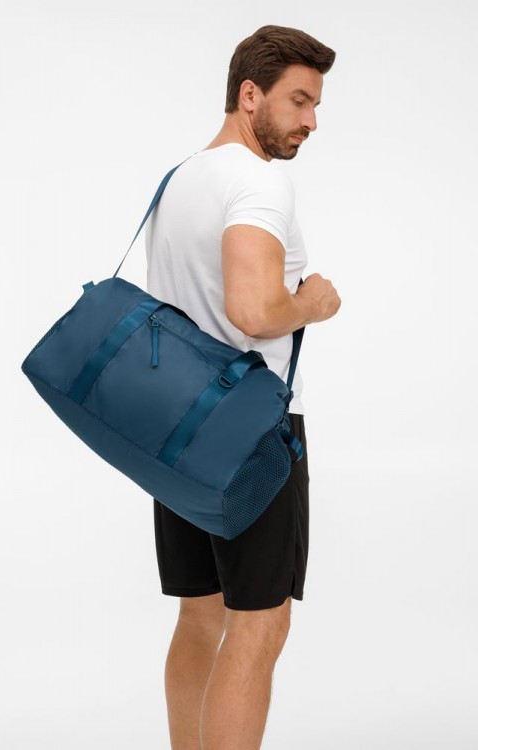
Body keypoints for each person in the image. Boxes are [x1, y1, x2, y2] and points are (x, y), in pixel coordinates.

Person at [144, 24, 341, 750]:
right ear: (249, 94)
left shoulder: (181, 178)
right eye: (299, 101)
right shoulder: (258, 182)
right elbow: (253, 312)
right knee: (259, 623)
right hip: (248, 432)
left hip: (176, 428)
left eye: (315, 105)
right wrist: (312, 303)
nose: (311, 121)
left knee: (201, 614)